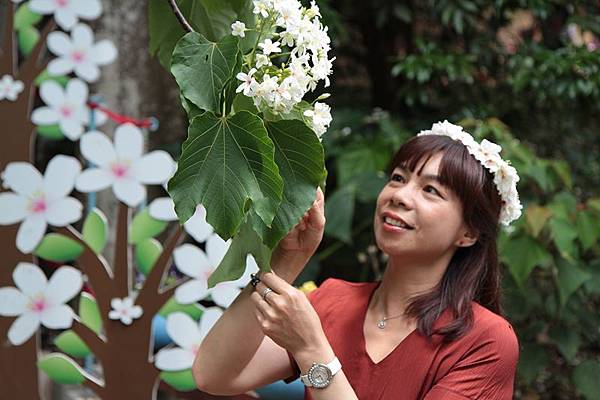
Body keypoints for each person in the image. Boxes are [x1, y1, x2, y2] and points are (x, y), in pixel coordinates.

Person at [192, 121, 522, 400]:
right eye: (398, 177)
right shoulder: (333, 301)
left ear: (469, 233)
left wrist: (311, 351)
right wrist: (286, 261)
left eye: (431, 190)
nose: (400, 195)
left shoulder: (486, 342)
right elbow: (213, 375)